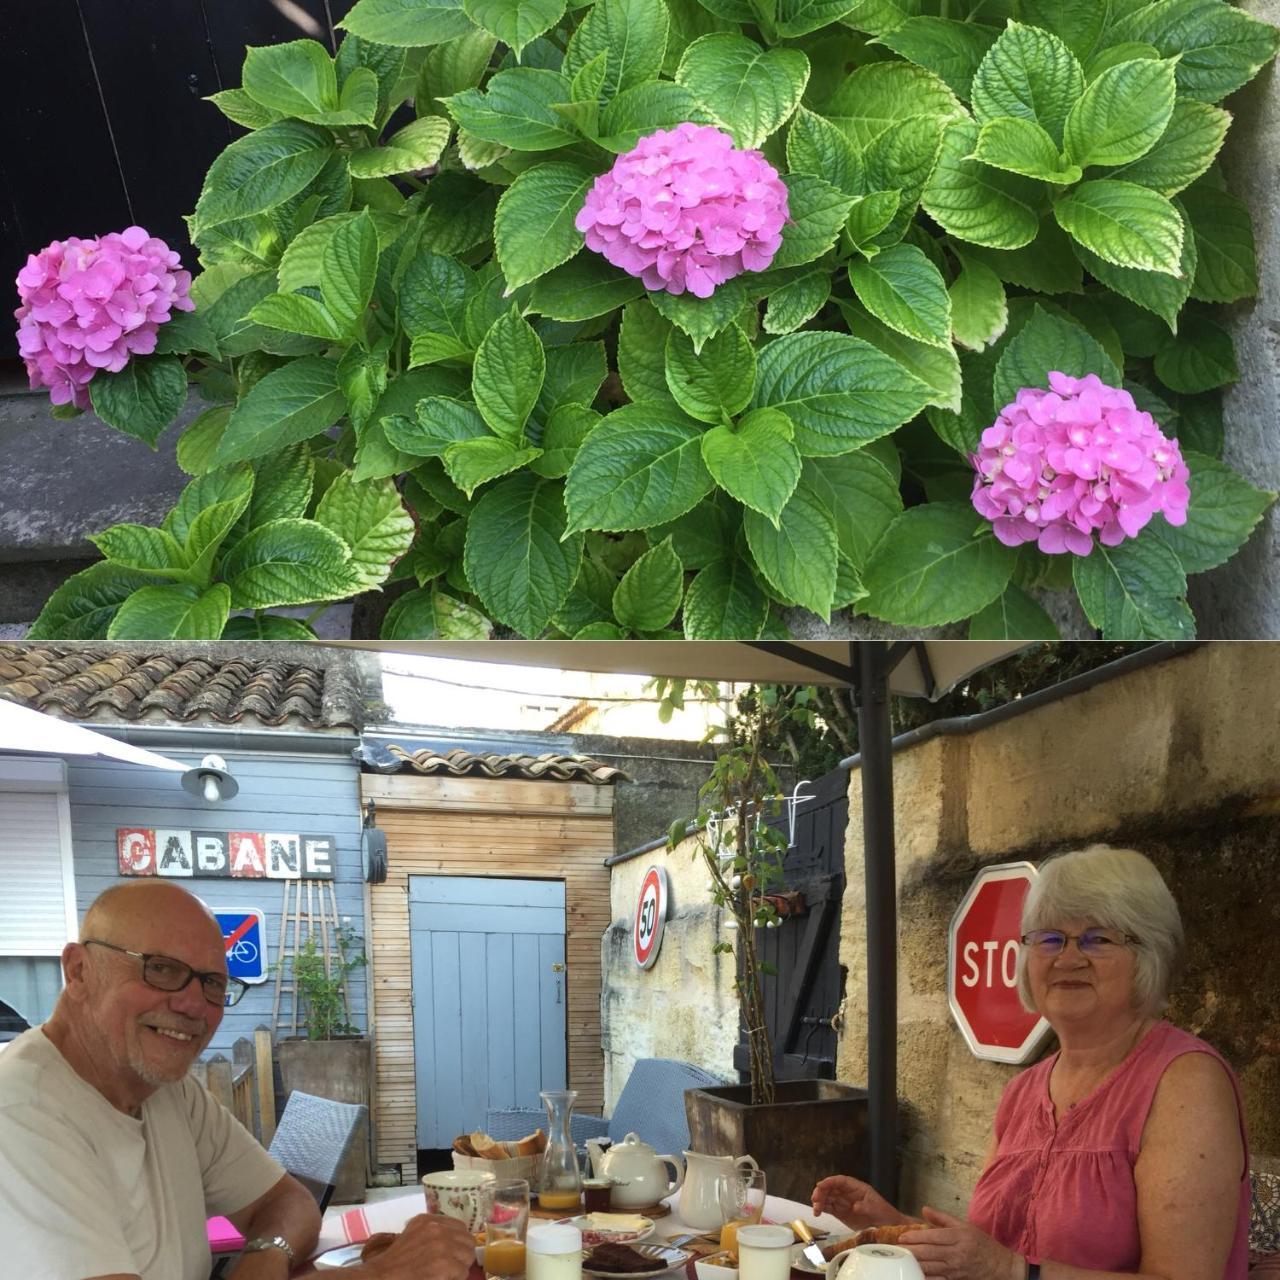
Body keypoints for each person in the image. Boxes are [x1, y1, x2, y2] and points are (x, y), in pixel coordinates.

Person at [812, 844, 1250, 1280]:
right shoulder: (1023, 1092)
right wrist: (891, 1223)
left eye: (1097, 938)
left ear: (1148, 955)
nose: (1068, 958)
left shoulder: (1185, 1081)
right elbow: (995, 1254)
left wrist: (1012, 1269)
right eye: (1050, 938)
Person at [0, 880, 476, 1280]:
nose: (191, 1004)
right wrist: (382, 1274)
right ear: (78, 970)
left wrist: (264, 1255)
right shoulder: (21, 1115)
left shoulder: (170, 1092)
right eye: (160, 969)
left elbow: (289, 1202)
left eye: (211, 982)